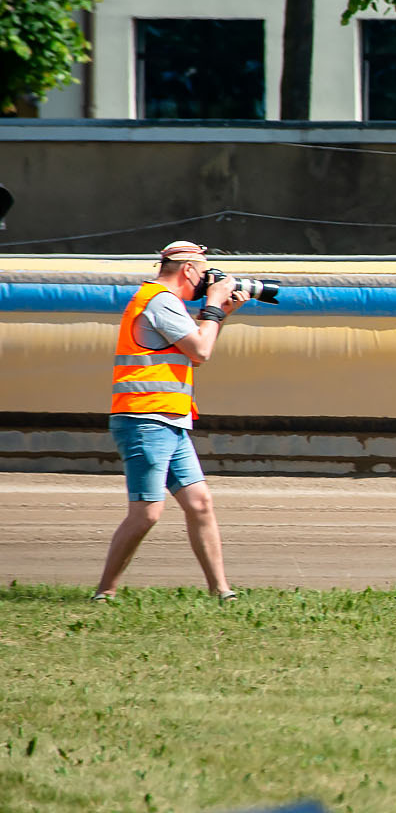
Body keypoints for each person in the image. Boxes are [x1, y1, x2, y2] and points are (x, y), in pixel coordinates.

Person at [94, 240, 245, 601]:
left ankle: (221, 591)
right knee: (146, 513)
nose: (207, 280)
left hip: (168, 421)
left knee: (199, 504)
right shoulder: (159, 300)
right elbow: (202, 351)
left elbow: (194, 354)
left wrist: (222, 313)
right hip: (145, 419)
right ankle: (105, 592)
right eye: (205, 272)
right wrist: (212, 304)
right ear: (189, 270)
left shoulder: (162, 301)